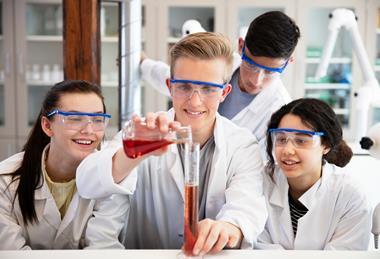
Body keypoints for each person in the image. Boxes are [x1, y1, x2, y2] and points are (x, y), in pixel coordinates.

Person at [76, 32, 267, 254]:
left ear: (224, 93)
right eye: (184, 86)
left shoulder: (242, 145)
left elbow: (247, 207)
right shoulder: (144, 133)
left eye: (208, 89)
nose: (195, 101)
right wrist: (129, 155)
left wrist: (228, 227)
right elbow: (87, 183)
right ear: (169, 86)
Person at [140, 11, 300, 150]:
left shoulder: (280, 112)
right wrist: (143, 63)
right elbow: (178, 80)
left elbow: (262, 169)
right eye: (251, 65)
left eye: (270, 72)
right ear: (241, 46)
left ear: (288, 62)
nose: (256, 80)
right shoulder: (221, 64)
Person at [0, 80, 127, 249]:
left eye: (97, 119)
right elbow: (10, 253)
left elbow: (103, 250)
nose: (89, 130)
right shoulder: (6, 180)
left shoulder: (111, 179)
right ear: (47, 125)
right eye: (75, 118)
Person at [256, 98, 371, 250]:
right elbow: (255, 247)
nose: (287, 150)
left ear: (326, 145)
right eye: (281, 139)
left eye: (301, 140)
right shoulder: (259, 182)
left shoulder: (350, 196)